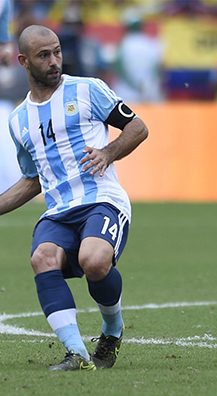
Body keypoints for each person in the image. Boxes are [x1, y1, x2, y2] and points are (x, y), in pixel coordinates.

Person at [2, 25, 149, 371]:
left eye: (57, 52)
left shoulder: (87, 89)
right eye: (43, 55)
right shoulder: (18, 120)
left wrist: (108, 152)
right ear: (24, 61)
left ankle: (112, 330)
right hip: (58, 211)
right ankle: (76, 353)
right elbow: (31, 181)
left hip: (102, 199)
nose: (54, 61)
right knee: (43, 257)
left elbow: (138, 127)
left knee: (94, 260)